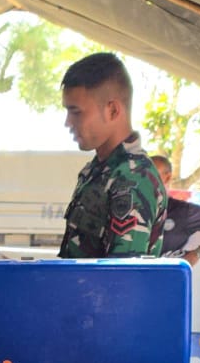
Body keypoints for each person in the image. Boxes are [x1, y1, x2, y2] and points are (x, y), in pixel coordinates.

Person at [58, 52, 168, 258]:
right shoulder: (97, 170)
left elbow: (120, 279)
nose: (68, 122)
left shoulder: (134, 178)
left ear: (113, 110)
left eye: (76, 112)